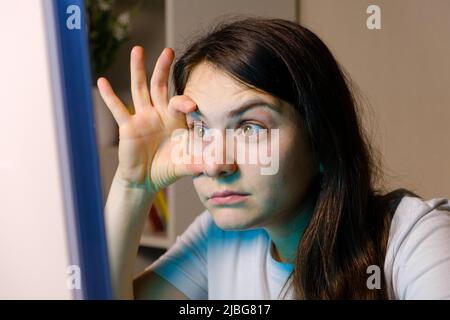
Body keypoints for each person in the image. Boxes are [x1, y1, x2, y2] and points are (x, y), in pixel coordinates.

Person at [98, 17, 450, 300]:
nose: (215, 163)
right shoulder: (219, 238)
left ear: (322, 141)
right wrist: (134, 185)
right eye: (200, 129)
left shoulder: (416, 238)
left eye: (251, 128)